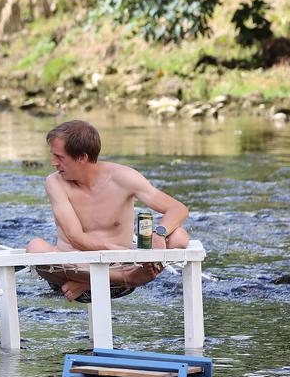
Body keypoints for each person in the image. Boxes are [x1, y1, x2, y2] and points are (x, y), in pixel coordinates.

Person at [25, 120, 192, 302]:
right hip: (73, 272)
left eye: (60, 157)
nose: (53, 163)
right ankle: (109, 279)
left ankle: (90, 282)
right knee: (35, 247)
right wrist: (123, 255)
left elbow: (178, 208)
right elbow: (76, 238)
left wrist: (159, 233)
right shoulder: (55, 182)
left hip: (116, 271)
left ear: (82, 157)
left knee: (180, 236)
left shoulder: (123, 177)